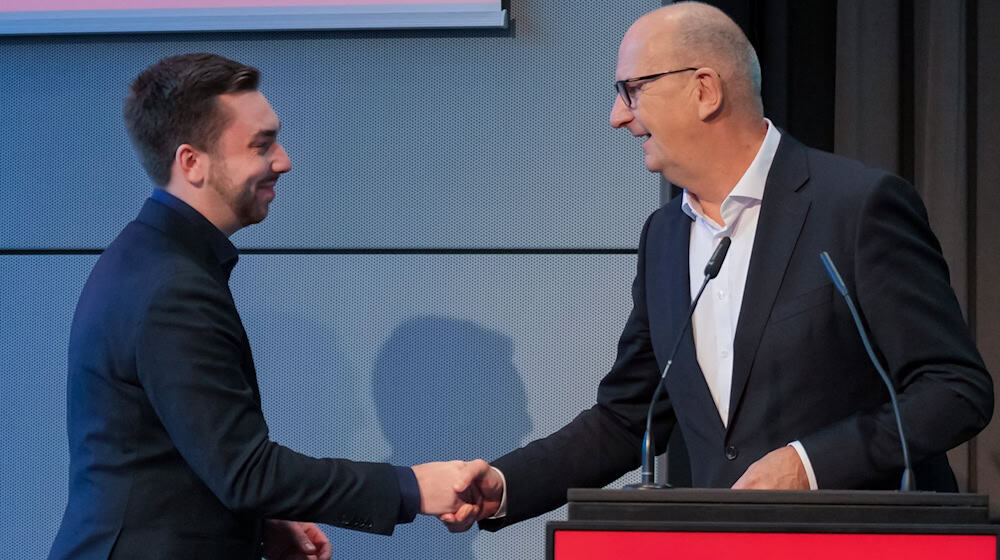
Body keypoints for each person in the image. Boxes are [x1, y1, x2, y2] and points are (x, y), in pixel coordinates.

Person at [441, 1, 994, 532]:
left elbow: (954, 389)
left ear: (704, 89)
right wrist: (506, 482)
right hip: (725, 542)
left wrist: (809, 464)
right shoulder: (664, 237)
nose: (617, 118)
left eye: (632, 90)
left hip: (859, 541)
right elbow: (626, 418)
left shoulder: (857, 207)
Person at [48, 53, 488, 560]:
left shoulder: (152, 259)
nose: (283, 160)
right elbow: (247, 472)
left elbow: (182, 456)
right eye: (261, 145)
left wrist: (254, 526)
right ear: (191, 162)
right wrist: (412, 487)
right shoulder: (172, 287)